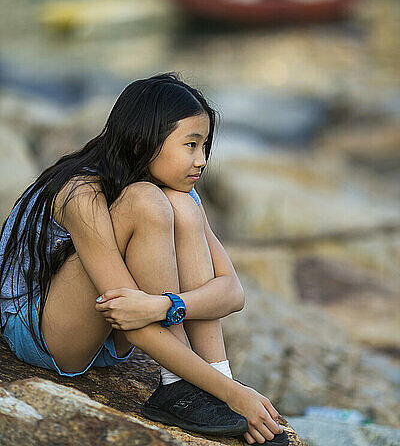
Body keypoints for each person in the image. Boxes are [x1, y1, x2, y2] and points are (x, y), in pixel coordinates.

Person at [0, 71, 288, 445]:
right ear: (143, 142)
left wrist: (162, 307)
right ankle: (178, 388)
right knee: (148, 202)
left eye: (205, 147)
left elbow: (232, 293)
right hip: (44, 333)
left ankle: (214, 379)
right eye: (190, 145)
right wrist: (234, 397)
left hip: (111, 334)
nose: (201, 160)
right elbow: (125, 313)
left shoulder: (178, 194)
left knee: (179, 206)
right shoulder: (80, 191)